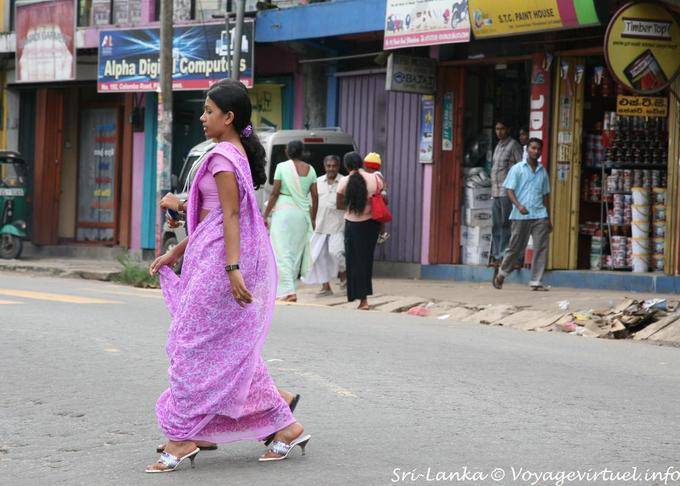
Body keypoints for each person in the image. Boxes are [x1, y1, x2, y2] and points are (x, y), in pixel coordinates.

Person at [146, 79, 310, 473]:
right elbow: (213, 220)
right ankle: (282, 423)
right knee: (226, 348)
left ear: (229, 117)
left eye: (208, 111)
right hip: (212, 256)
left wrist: (233, 269)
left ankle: (182, 436)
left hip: (221, 265)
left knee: (190, 347)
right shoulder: (230, 153)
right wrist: (176, 249)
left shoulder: (222, 157)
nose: (202, 118)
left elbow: (232, 217)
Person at [492, 138, 552, 291]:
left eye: (538, 149)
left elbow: (546, 195)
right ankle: (502, 273)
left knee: (541, 248)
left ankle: (536, 281)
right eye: (533, 148)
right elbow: (509, 190)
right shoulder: (517, 169)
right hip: (521, 216)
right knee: (515, 248)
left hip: (540, 214)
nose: (535, 151)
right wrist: (518, 206)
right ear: (527, 150)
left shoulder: (542, 171)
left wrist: (548, 217)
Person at [263, 140, 319, 302]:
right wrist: (313, 218)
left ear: (288, 152)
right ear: (302, 152)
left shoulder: (282, 167)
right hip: (302, 215)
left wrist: (265, 215)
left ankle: (288, 291)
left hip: (284, 213)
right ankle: (289, 289)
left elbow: (274, 193)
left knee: (282, 252)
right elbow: (315, 197)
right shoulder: (311, 170)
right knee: (295, 253)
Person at [337, 152, 383, 310]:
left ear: (347, 166)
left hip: (352, 225)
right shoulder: (375, 179)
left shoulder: (344, 181)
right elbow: (383, 197)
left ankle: (358, 297)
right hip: (371, 225)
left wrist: (354, 205)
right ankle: (364, 299)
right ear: (361, 163)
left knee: (353, 261)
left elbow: (339, 204)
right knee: (366, 261)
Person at [301, 155, 346, 296]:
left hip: (338, 226)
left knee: (337, 253)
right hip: (320, 226)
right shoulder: (317, 182)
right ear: (325, 166)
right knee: (318, 257)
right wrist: (311, 221)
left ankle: (345, 280)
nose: (331, 168)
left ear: (338, 167)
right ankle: (326, 287)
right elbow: (310, 204)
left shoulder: (344, 181)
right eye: (329, 166)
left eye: (334, 166)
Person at [489, 119, 524, 269]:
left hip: (507, 192)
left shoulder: (513, 145)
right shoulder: (498, 146)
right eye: (497, 129)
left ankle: (506, 257)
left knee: (506, 225)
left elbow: (521, 167)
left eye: (502, 129)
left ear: (508, 129)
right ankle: (497, 256)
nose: (499, 132)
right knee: (496, 225)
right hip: (495, 192)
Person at [362, 152, 390, 244]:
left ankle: (382, 233)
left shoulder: (376, 174)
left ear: (368, 166)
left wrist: (383, 191)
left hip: (375, 201)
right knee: (379, 217)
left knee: (378, 217)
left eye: (365, 166)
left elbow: (384, 185)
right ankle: (382, 234)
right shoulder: (377, 173)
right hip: (377, 200)